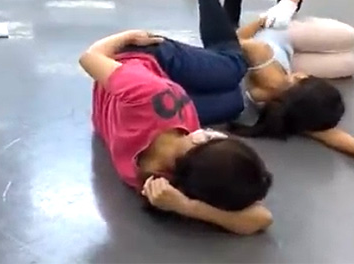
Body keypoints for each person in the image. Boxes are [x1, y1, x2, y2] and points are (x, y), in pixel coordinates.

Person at [161, 0, 354, 180]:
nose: (303, 76)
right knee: (350, 47)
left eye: (304, 78)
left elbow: (227, 43)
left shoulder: (270, 73)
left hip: (275, 43)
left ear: (296, 82)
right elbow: (327, 133)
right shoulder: (289, 105)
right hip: (281, 33)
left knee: (350, 58)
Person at [78, 20, 273, 235]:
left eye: (212, 136)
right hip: (151, 77)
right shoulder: (167, 181)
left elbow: (90, 57)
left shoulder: (147, 92)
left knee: (233, 68)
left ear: (200, 139)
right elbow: (261, 218)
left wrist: (128, 36)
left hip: (138, 59)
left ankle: (227, 26)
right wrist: (187, 207)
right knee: (233, 97)